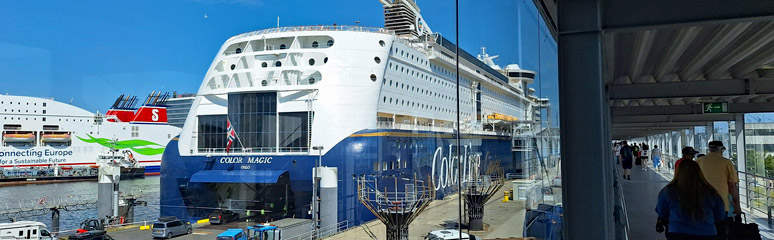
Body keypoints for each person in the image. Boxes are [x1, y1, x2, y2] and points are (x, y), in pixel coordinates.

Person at [655, 160, 726, 239]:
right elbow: (720, 215)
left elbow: (662, 212)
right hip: (707, 233)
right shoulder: (711, 192)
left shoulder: (668, 191)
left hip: (677, 232)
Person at [696, 141, 741, 239]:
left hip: (701, 200)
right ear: (721, 149)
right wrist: (737, 205)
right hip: (722, 202)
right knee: (720, 230)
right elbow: (732, 186)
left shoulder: (700, 161)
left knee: (703, 229)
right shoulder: (726, 162)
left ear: (709, 149)